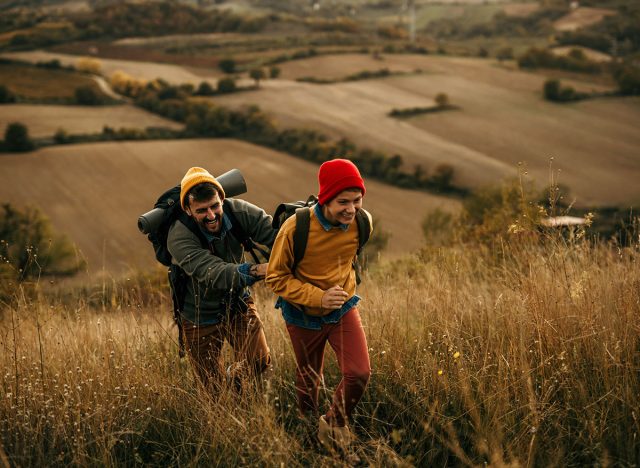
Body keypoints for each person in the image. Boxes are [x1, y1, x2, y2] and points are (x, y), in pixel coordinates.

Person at [265, 159, 372, 450]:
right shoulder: (294, 228)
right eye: (343, 202)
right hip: (302, 315)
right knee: (309, 379)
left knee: (359, 372)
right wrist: (318, 297)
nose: (351, 209)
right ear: (325, 199)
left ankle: (334, 421)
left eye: (357, 200)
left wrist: (338, 294)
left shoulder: (363, 223)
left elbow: (351, 258)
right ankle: (308, 433)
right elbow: (275, 277)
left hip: (343, 309)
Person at [167, 167, 276, 393]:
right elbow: (213, 272)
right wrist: (257, 270)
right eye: (201, 210)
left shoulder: (240, 213)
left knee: (258, 361)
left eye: (215, 206)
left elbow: (278, 236)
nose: (211, 215)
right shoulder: (178, 235)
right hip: (198, 314)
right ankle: (226, 411)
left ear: (222, 199)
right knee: (212, 388)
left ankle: (234, 381)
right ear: (187, 210)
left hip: (237, 303)